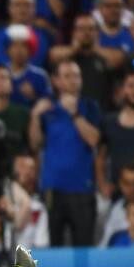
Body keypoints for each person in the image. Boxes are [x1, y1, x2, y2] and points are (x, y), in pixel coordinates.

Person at [30, 60, 100, 246]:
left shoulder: (90, 106)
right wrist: (35, 117)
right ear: (57, 81)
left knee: (84, 246)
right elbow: (35, 143)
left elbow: (94, 140)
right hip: (53, 188)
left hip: (82, 188)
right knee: (53, 245)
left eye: (76, 76)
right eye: (67, 76)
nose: (73, 81)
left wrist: (75, 114)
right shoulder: (47, 110)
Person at [49, 15, 122, 112]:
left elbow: (118, 59)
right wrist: (76, 48)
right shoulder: (66, 54)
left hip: (100, 112)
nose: (86, 33)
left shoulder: (104, 55)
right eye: (81, 29)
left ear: (97, 33)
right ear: (74, 33)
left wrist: (93, 47)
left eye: (91, 29)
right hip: (68, 110)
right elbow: (54, 55)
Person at [97, 70, 134, 198]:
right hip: (117, 193)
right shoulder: (109, 122)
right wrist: (102, 184)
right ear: (123, 90)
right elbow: (100, 157)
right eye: (131, 86)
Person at [5, 25, 53, 109]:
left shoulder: (40, 76)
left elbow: (49, 104)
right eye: (15, 45)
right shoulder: (0, 73)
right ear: (8, 50)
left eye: (23, 46)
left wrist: (33, 97)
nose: (19, 50)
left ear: (30, 50)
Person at [100, 162, 134, 246]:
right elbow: (105, 245)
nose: (132, 188)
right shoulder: (116, 209)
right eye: (127, 183)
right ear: (120, 184)